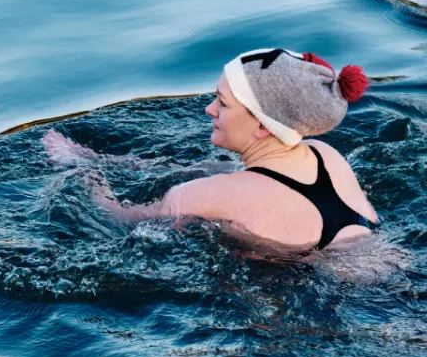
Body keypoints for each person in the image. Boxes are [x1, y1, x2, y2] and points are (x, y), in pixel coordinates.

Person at [43, 48, 378, 253]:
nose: (209, 109)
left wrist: (81, 174)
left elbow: (114, 218)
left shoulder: (198, 197)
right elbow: (227, 174)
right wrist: (97, 158)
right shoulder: (324, 154)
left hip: (313, 294)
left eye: (223, 102)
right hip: (387, 265)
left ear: (263, 126)